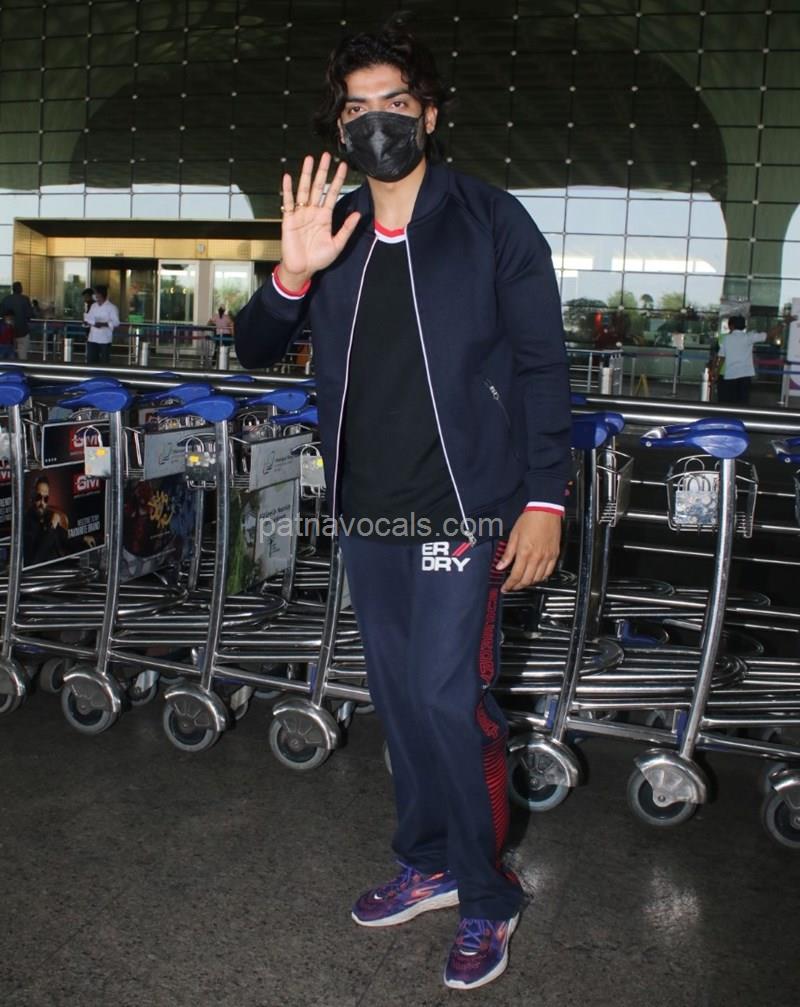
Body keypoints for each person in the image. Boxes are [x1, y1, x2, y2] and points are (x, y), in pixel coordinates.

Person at [235, 18, 572, 992]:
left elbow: (543, 365)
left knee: (444, 696)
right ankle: (428, 859)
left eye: (395, 102)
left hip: (463, 507)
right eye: (357, 108)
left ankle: (487, 893)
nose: (376, 120)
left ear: (428, 113)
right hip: (368, 509)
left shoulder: (489, 220)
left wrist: (543, 499)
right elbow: (255, 346)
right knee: (398, 700)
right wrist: (291, 273)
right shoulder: (331, 226)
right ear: (338, 125)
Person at [712, 313, 785, 404]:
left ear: (731, 326)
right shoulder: (749, 337)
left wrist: (716, 373)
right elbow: (769, 334)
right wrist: (784, 323)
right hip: (745, 376)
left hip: (730, 375)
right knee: (742, 402)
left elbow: (721, 357)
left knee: (728, 402)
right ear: (744, 326)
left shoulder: (726, 339)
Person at [23, 476, 68, 567]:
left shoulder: (49, 515)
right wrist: (52, 526)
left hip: (62, 565)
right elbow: (36, 560)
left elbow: (65, 540)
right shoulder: (26, 521)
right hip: (43, 571)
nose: (42, 503)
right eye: (38, 497)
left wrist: (83, 539)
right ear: (32, 497)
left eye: (46, 498)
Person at [83, 284, 119, 366]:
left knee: (104, 362)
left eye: (96, 293)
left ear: (101, 294)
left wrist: (103, 324)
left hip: (104, 339)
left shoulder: (112, 307)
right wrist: (86, 322)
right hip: (92, 338)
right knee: (91, 361)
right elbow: (90, 318)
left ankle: (103, 374)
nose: (94, 295)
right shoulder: (93, 306)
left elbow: (116, 322)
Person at [0, 281, 34, 361]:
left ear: (13, 289)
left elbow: (1, 314)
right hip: (22, 332)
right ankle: (22, 366)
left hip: (8, 333)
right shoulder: (25, 299)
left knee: (7, 355)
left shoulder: (6, 299)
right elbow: (30, 314)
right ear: (21, 289)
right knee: (22, 355)